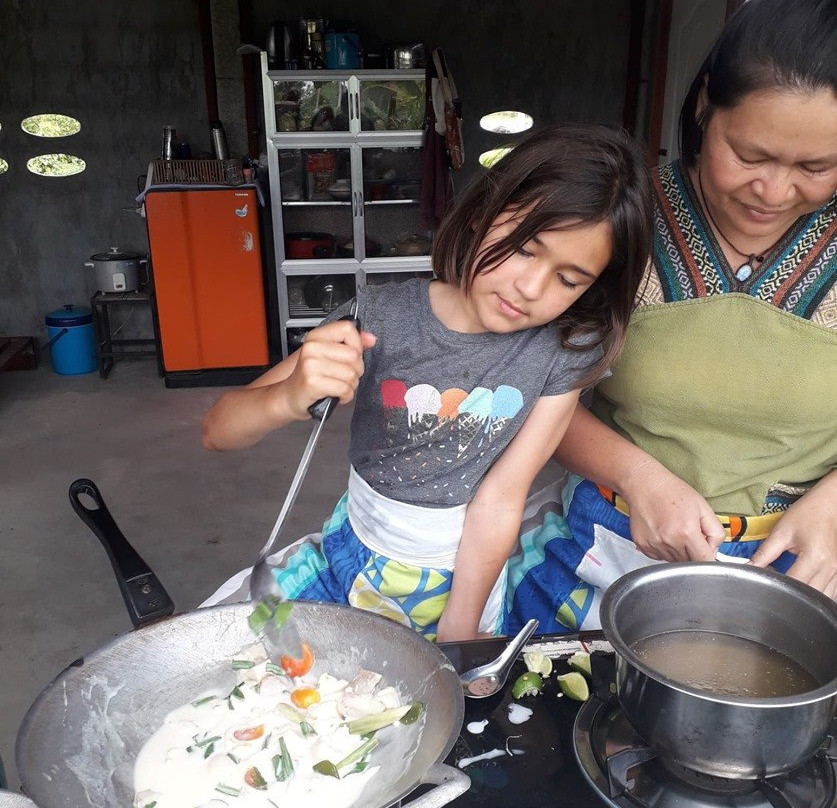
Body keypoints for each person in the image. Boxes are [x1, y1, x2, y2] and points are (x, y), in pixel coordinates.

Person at [202, 123, 654, 642]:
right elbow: (218, 431)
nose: (530, 288)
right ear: (484, 212)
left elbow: (502, 496)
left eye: (568, 279)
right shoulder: (380, 319)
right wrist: (286, 397)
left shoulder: (561, 351)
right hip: (351, 561)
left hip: (469, 585)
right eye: (525, 248)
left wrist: (460, 629)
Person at [504, 0, 837, 636]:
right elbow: (517, 389)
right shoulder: (619, 221)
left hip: (807, 572)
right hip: (606, 546)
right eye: (750, 155)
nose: (773, 191)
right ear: (705, 104)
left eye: (815, 167)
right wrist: (638, 477)